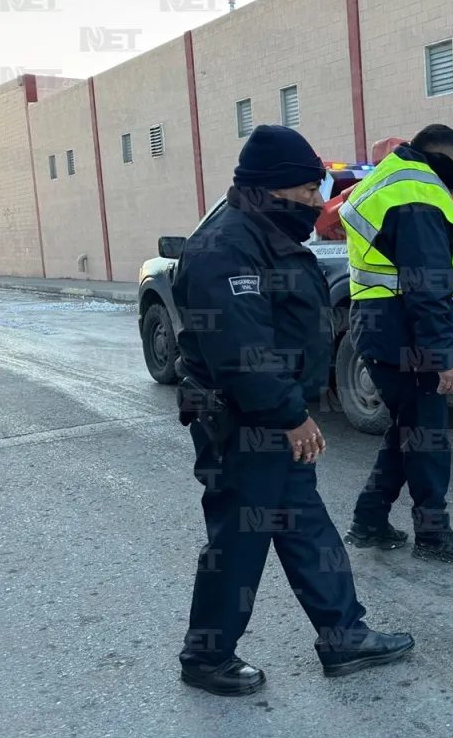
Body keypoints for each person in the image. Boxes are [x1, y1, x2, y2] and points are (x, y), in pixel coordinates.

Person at [173, 124, 414, 696]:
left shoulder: (263, 233)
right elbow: (241, 352)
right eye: (306, 193)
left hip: (270, 419)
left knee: (305, 526)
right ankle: (205, 659)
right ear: (268, 189)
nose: (315, 204)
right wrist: (289, 415)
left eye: (316, 191)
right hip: (244, 423)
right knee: (238, 538)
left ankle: (343, 635)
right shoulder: (226, 248)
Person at [340, 124, 453, 563]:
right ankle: (433, 535)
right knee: (426, 439)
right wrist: (443, 358)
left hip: (383, 329)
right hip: (403, 334)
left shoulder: (394, 179)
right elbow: (425, 288)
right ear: (441, 157)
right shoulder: (418, 197)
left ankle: (369, 521)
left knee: (409, 431)